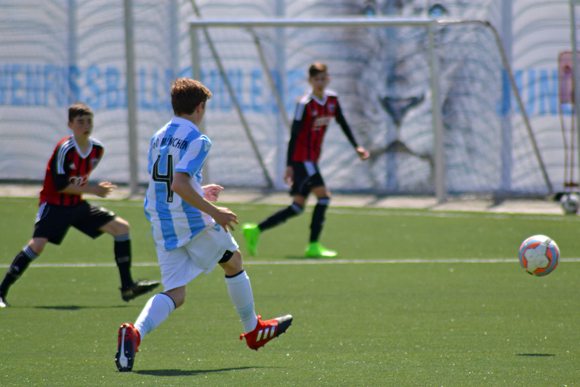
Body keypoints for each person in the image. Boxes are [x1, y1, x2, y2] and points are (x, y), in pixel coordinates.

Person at [114, 78, 292, 372]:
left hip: (162, 221)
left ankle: (135, 333)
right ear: (200, 107)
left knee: (176, 293)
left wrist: (199, 189)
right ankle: (253, 330)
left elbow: (167, 183)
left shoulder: (158, 136)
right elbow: (180, 182)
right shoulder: (199, 139)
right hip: (190, 223)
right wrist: (215, 212)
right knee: (234, 261)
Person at [0, 102, 160, 308]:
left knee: (121, 228)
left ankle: (127, 286)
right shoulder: (64, 149)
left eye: (89, 121)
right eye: (80, 122)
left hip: (77, 205)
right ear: (70, 124)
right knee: (37, 245)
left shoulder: (97, 149)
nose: (86, 125)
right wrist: (94, 190)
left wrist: (90, 191)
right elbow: (60, 186)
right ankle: (1, 291)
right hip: (54, 205)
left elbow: (78, 181)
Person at [242, 62, 369, 258]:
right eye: (316, 79)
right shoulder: (305, 104)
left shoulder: (333, 100)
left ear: (329, 79)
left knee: (297, 206)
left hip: (312, 159)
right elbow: (294, 135)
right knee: (324, 197)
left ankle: (255, 230)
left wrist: (357, 147)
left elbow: (343, 122)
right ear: (310, 81)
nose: (320, 82)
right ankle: (313, 245)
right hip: (303, 159)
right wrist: (289, 165)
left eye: (323, 78)